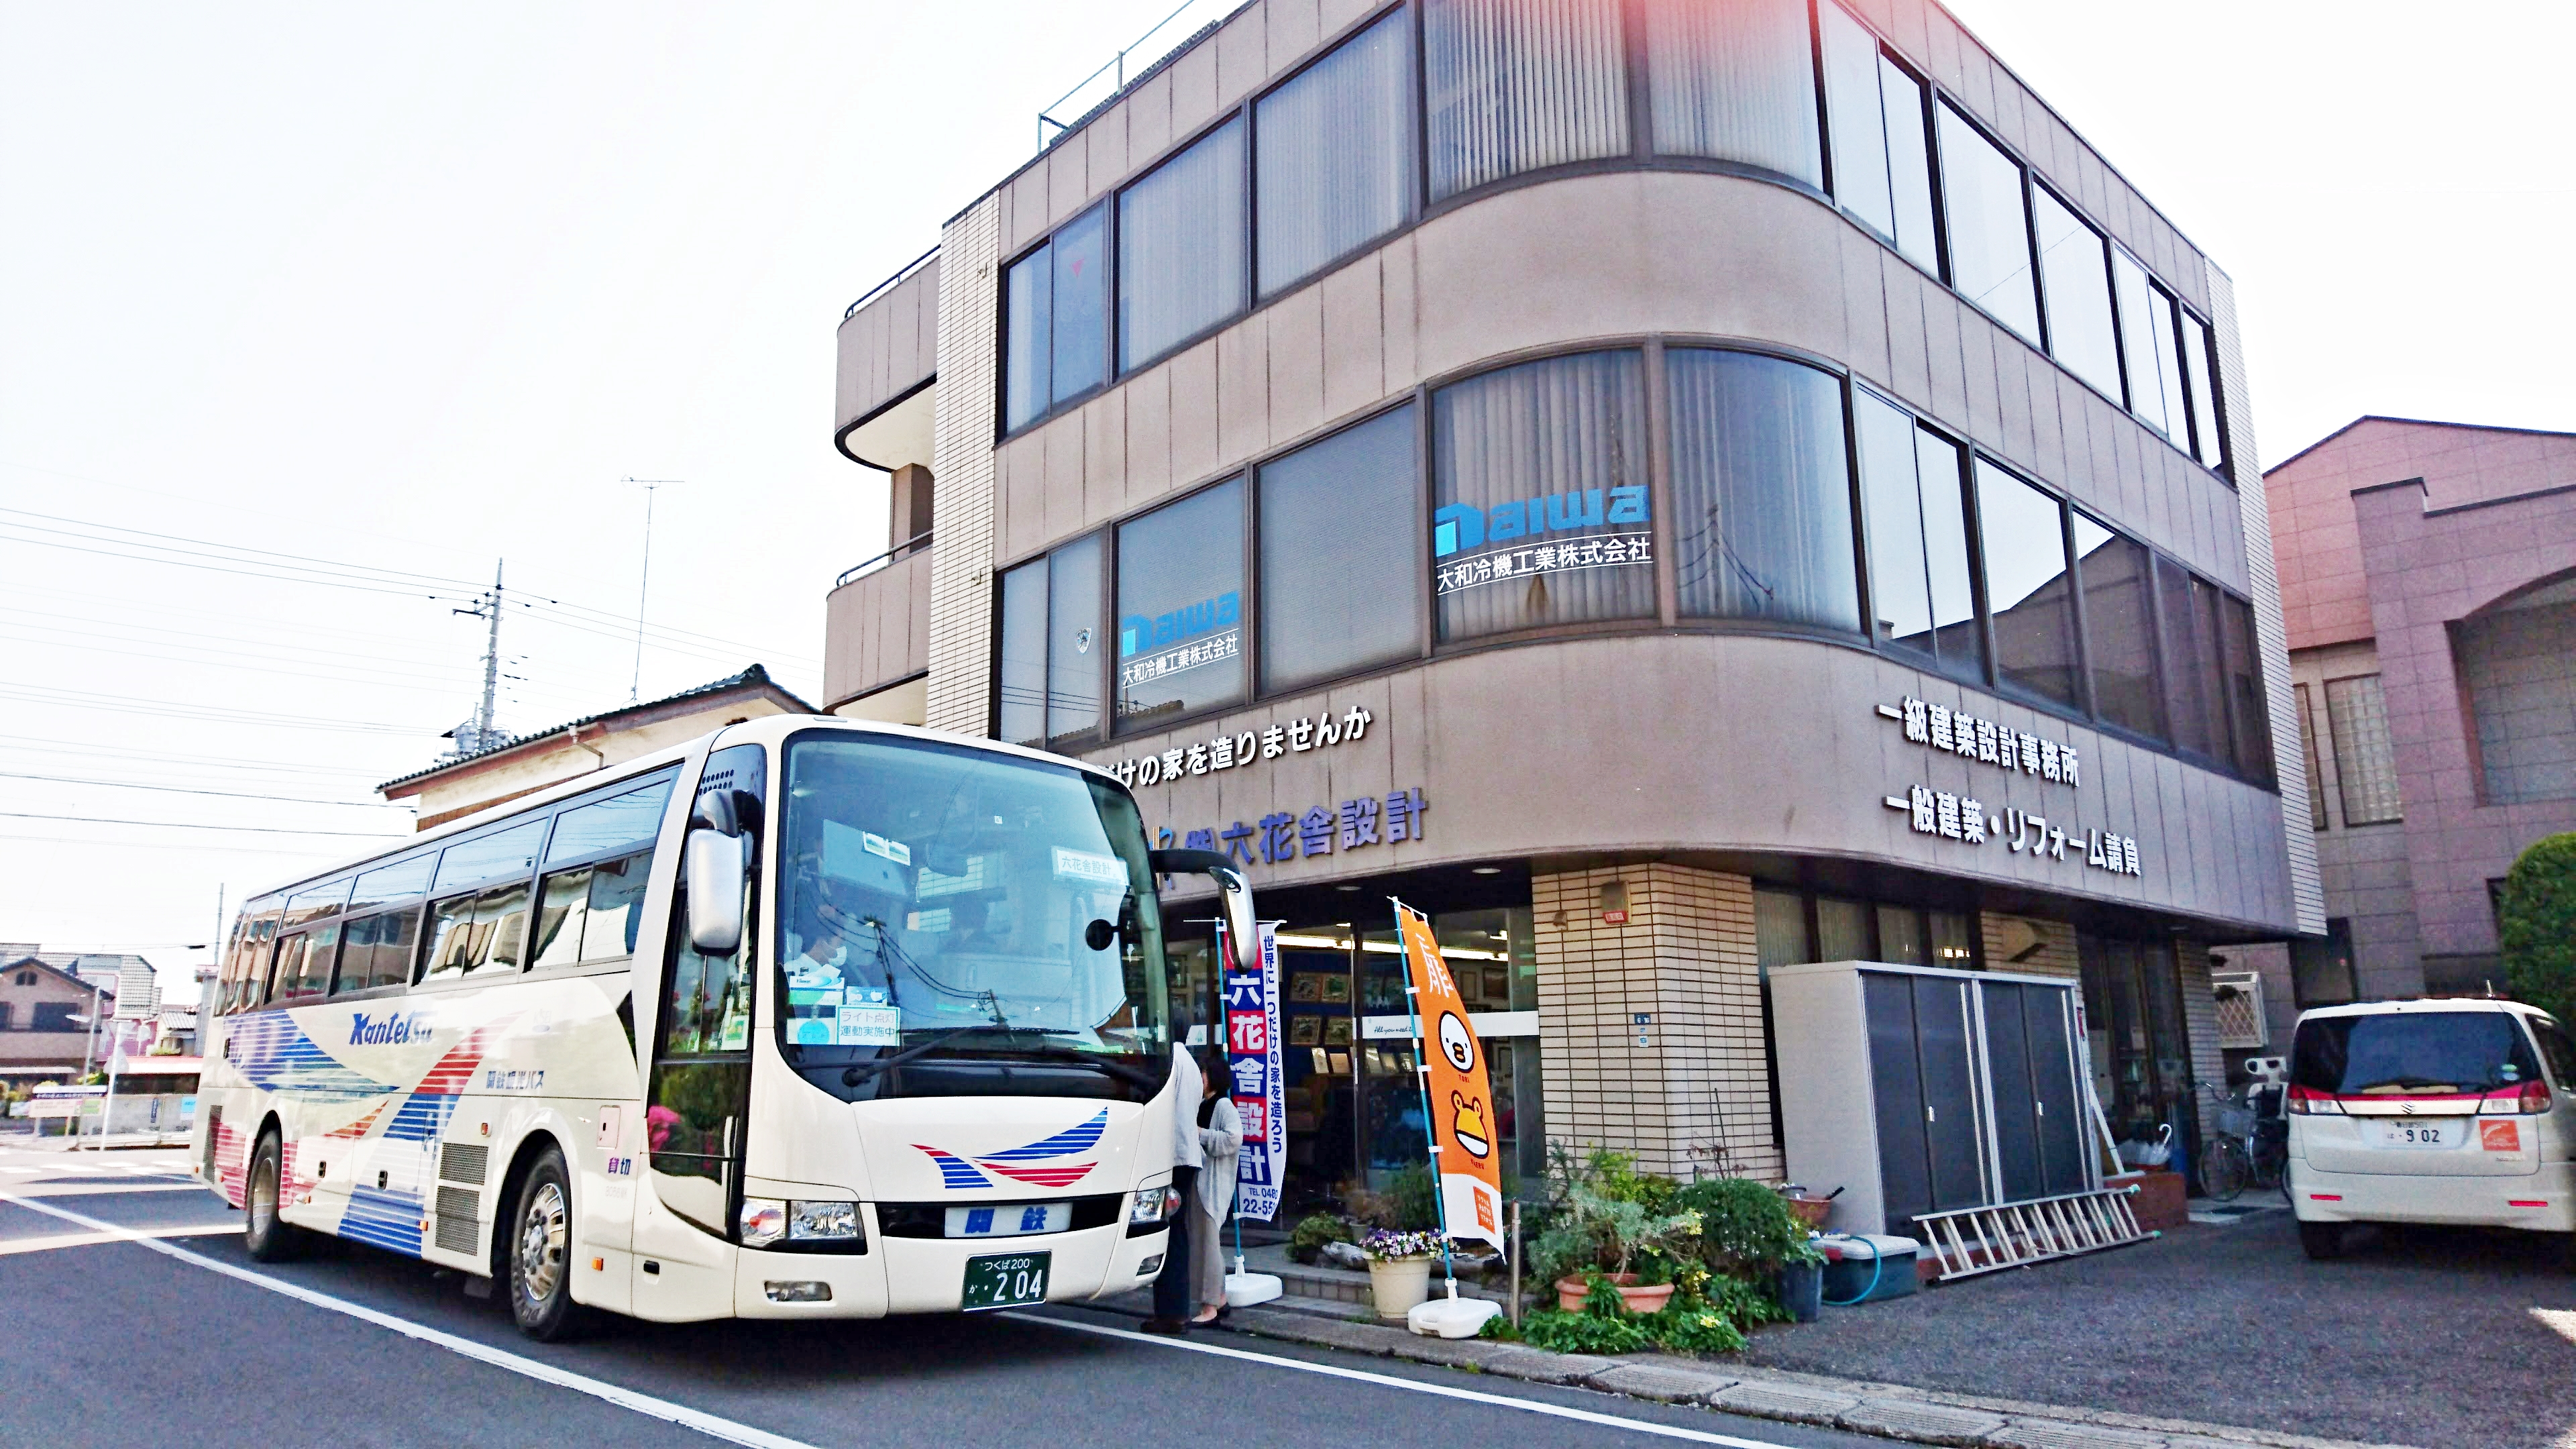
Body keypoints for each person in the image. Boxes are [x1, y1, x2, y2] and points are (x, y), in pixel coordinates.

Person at [1141, 1041, 1203, 1334]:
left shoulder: (1167, 1059)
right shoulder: (1190, 1062)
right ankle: (1176, 1311)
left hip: (1170, 1155)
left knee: (1166, 1232)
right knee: (1177, 1232)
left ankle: (1170, 1313)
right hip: (1187, 1155)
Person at [1190, 1063, 1244, 1325]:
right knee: (1205, 1245)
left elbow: (1234, 1139)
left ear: (1213, 1077)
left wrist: (1202, 1134)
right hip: (1200, 1184)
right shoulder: (1202, 1104)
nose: (1199, 1078)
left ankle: (1209, 1307)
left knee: (1207, 1247)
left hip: (1212, 1187)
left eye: (1202, 1073)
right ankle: (1219, 1299)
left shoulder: (1223, 1105)